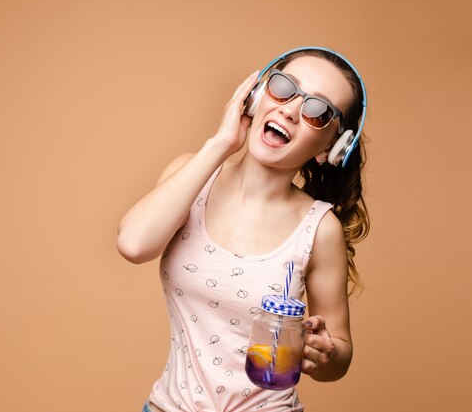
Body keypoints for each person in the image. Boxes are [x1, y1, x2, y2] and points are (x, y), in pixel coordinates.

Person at [116, 46, 370, 412]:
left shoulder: (319, 228)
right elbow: (133, 244)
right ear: (254, 95)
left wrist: (326, 354)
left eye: (317, 110)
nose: (291, 109)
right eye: (284, 87)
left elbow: (339, 353)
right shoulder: (193, 176)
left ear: (331, 147)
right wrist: (221, 143)